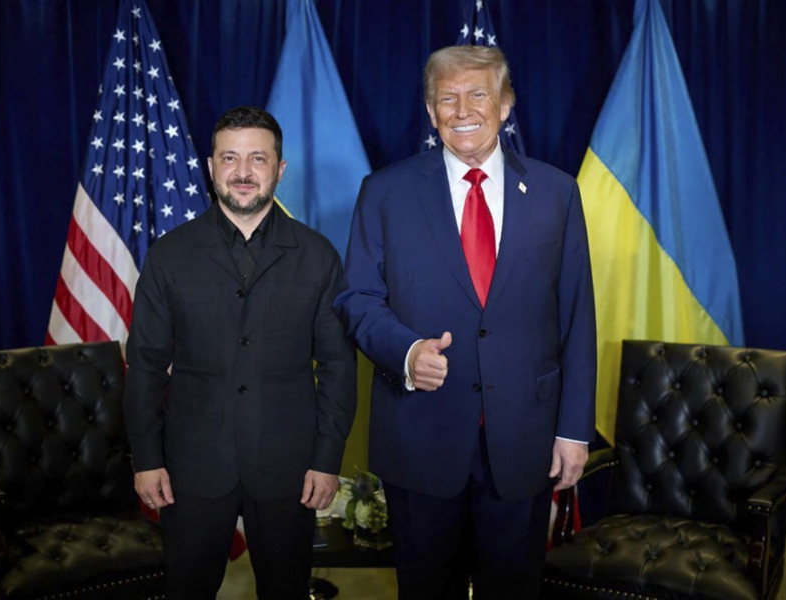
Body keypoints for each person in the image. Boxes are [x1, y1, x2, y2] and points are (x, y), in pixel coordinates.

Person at [333, 45, 596, 599]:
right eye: (447, 98)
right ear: (431, 111)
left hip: (524, 440)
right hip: (420, 436)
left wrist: (573, 430)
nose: (462, 110)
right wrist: (407, 353)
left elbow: (576, 316)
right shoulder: (384, 191)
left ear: (506, 105)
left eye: (478, 94)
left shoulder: (556, 192)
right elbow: (357, 298)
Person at [124, 105, 357, 599]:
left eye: (258, 158)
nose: (243, 172)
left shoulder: (318, 257)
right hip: (191, 466)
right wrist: (146, 458)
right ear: (211, 167)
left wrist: (327, 459)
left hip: (290, 468)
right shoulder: (169, 255)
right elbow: (145, 365)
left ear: (279, 168)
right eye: (230, 158)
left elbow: (338, 366)